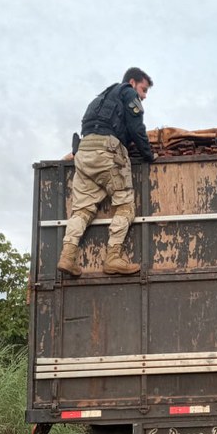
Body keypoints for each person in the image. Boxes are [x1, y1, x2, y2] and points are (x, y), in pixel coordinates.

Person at [57, 67, 155, 277]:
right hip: (107, 152)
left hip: (84, 153)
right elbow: (137, 129)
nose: (144, 96)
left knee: (82, 210)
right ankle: (113, 258)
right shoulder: (128, 92)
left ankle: (67, 256)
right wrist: (149, 155)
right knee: (125, 205)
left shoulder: (98, 101)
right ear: (132, 82)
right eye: (143, 89)